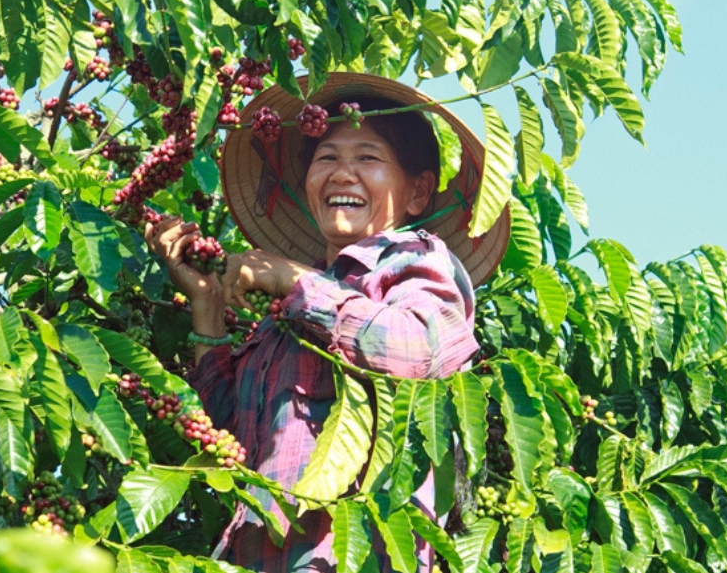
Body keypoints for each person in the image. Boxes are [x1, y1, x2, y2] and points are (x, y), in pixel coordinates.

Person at [145, 73, 510, 572]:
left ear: (418, 193)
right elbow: (225, 439)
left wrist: (293, 281)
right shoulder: (282, 318)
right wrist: (207, 306)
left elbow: (419, 348)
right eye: (326, 158)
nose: (342, 173)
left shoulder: (413, 260)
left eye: (368, 157)